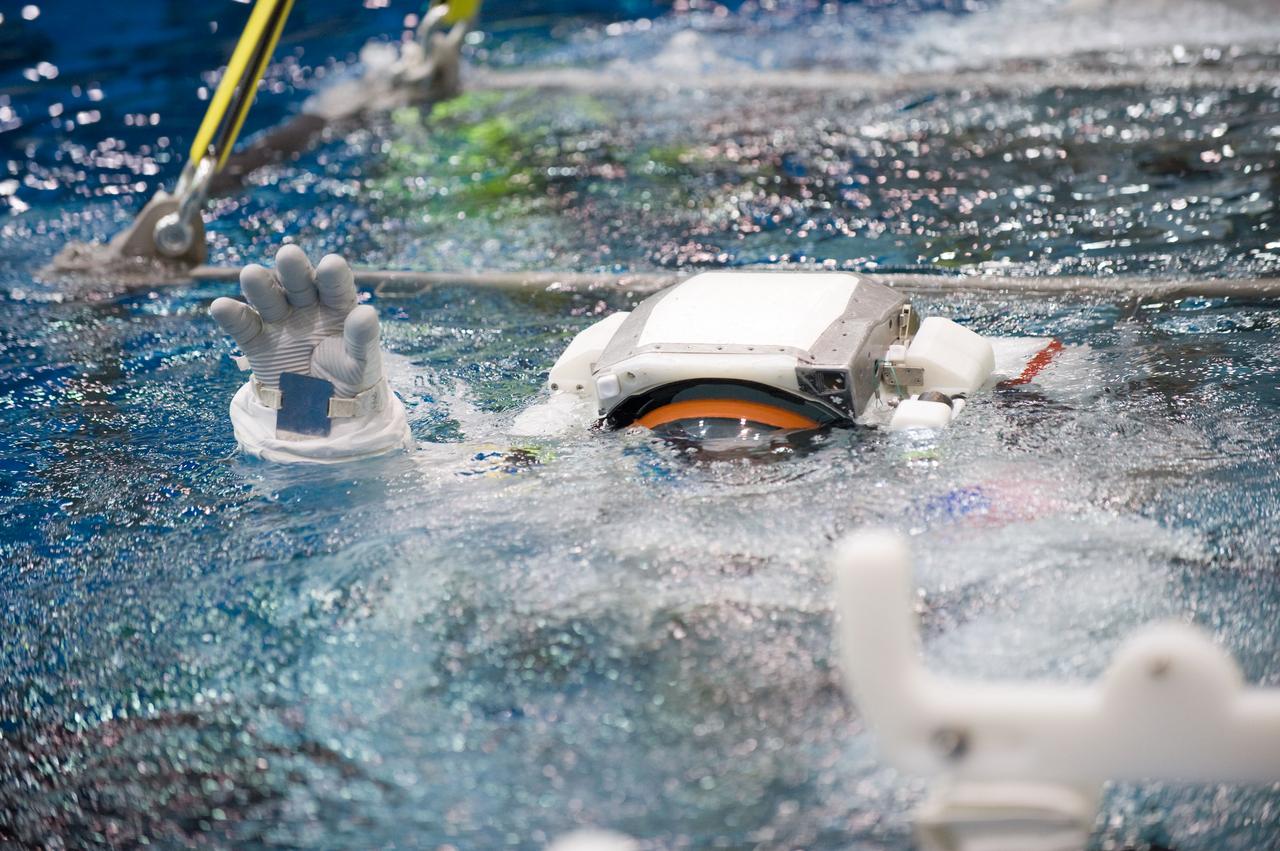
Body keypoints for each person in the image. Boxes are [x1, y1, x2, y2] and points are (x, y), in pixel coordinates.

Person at [210, 245, 1055, 464]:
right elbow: (384, 520)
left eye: (769, 439)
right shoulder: (549, 474)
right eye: (681, 440)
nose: (726, 459)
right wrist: (324, 425)